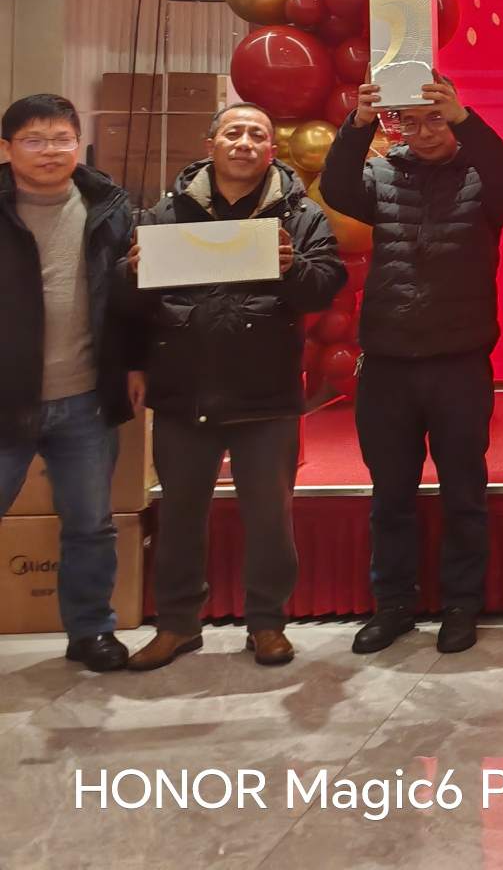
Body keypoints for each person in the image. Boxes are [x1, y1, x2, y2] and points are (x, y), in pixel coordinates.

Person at [124, 104, 346, 670]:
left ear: (272, 149)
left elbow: (325, 287)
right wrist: (130, 275)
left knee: (270, 520)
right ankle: (177, 626)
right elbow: (131, 306)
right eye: (233, 132)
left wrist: (292, 268)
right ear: (211, 144)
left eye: (257, 135)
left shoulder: (301, 215)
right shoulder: (165, 214)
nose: (245, 142)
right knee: (179, 518)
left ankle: (267, 623)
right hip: (183, 392)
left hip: (265, 394)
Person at [321, 74, 503, 656]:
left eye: (435, 117)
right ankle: (393, 605)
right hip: (388, 363)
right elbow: (336, 188)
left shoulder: (481, 180)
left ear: (454, 115)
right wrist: (359, 123)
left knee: (464, 491)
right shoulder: (380, 174)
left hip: (459, 362)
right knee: (391, 494)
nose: (424, 131)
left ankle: (462, 605)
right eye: (409, 121)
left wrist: (464, 118)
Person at [0, 94, 141, 672]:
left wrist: (135, 364)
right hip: (6, 399)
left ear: (77, 143)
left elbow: (130, 299)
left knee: (90, 524)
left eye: (61, 138)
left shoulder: (108, 206)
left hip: (85, 396)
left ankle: (90, 631)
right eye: (34, 140)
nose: (50, 151)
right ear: (7, 149)